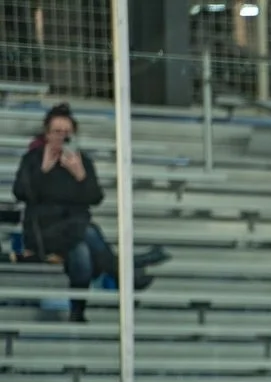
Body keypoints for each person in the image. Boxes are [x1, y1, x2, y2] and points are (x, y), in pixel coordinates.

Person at [10, 102, 167, 322]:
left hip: (76, 229)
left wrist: (80, 175)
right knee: (88, 232)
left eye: (67, 132)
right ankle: (124, 271)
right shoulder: (33, 159)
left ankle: (78, 312)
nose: (62, 137)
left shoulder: (81, 162)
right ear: (46, 134)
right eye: (57, 132)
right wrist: (42, 171)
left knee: (81, 253)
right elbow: (20, 193)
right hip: (44, 231)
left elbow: (95, 198)